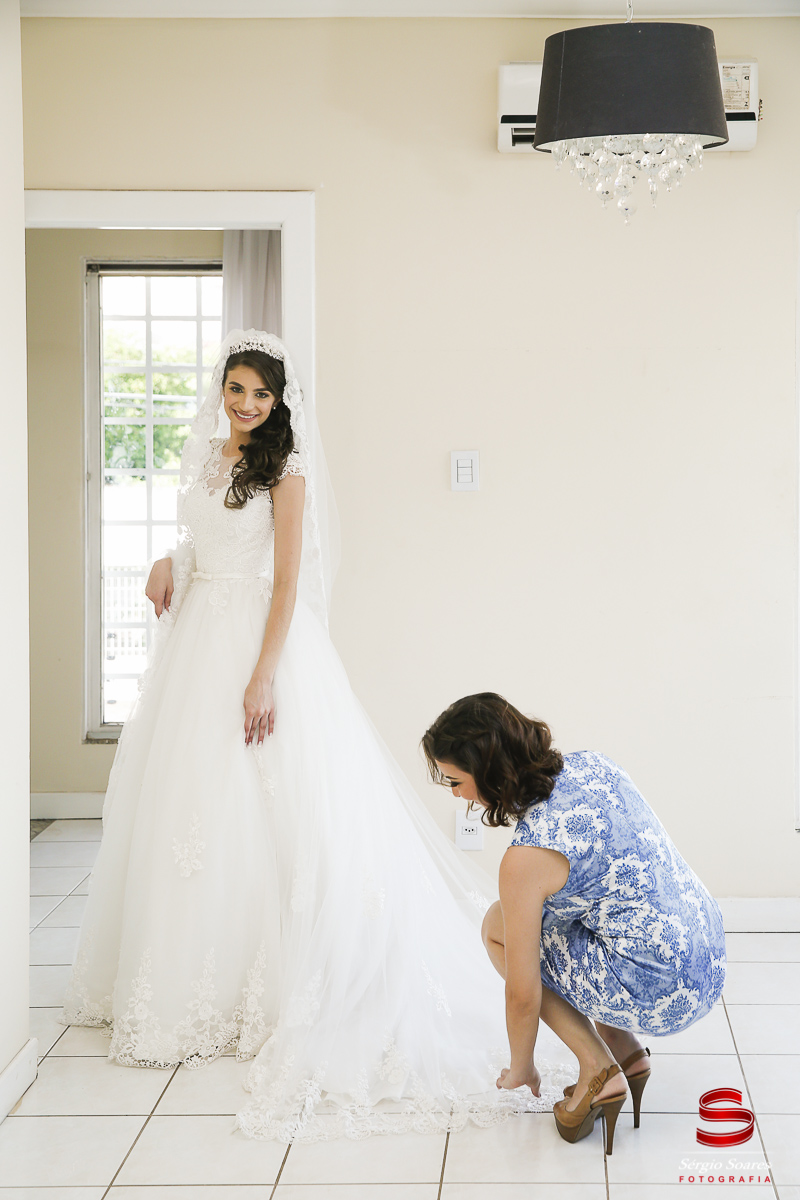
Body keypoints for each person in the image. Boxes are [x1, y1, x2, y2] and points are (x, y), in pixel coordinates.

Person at [62, 330, 569, 1142]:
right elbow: (204, 541)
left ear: (279, 400)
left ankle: (274, 983)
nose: (247, 405)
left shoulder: (286, 468)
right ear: (221, 389)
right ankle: (192, 978)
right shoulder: (208, 456)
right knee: (194, 811)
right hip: (196, 643)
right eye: (236, 389)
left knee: (268, 806)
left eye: (261, 394)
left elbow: (288, 577)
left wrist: (263, 674)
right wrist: (167, 562)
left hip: (258, 644)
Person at [422, 692, 726, 1155]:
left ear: (488, 771)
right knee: (581, 915)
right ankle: (625, 1049)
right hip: (708, 953)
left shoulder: (526, 858)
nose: (455, 794)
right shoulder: (592, 764)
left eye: (456, 781)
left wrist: (521, 1066)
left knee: (498, 928)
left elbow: (522, 993)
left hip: (664, 991)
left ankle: (596, 1067)